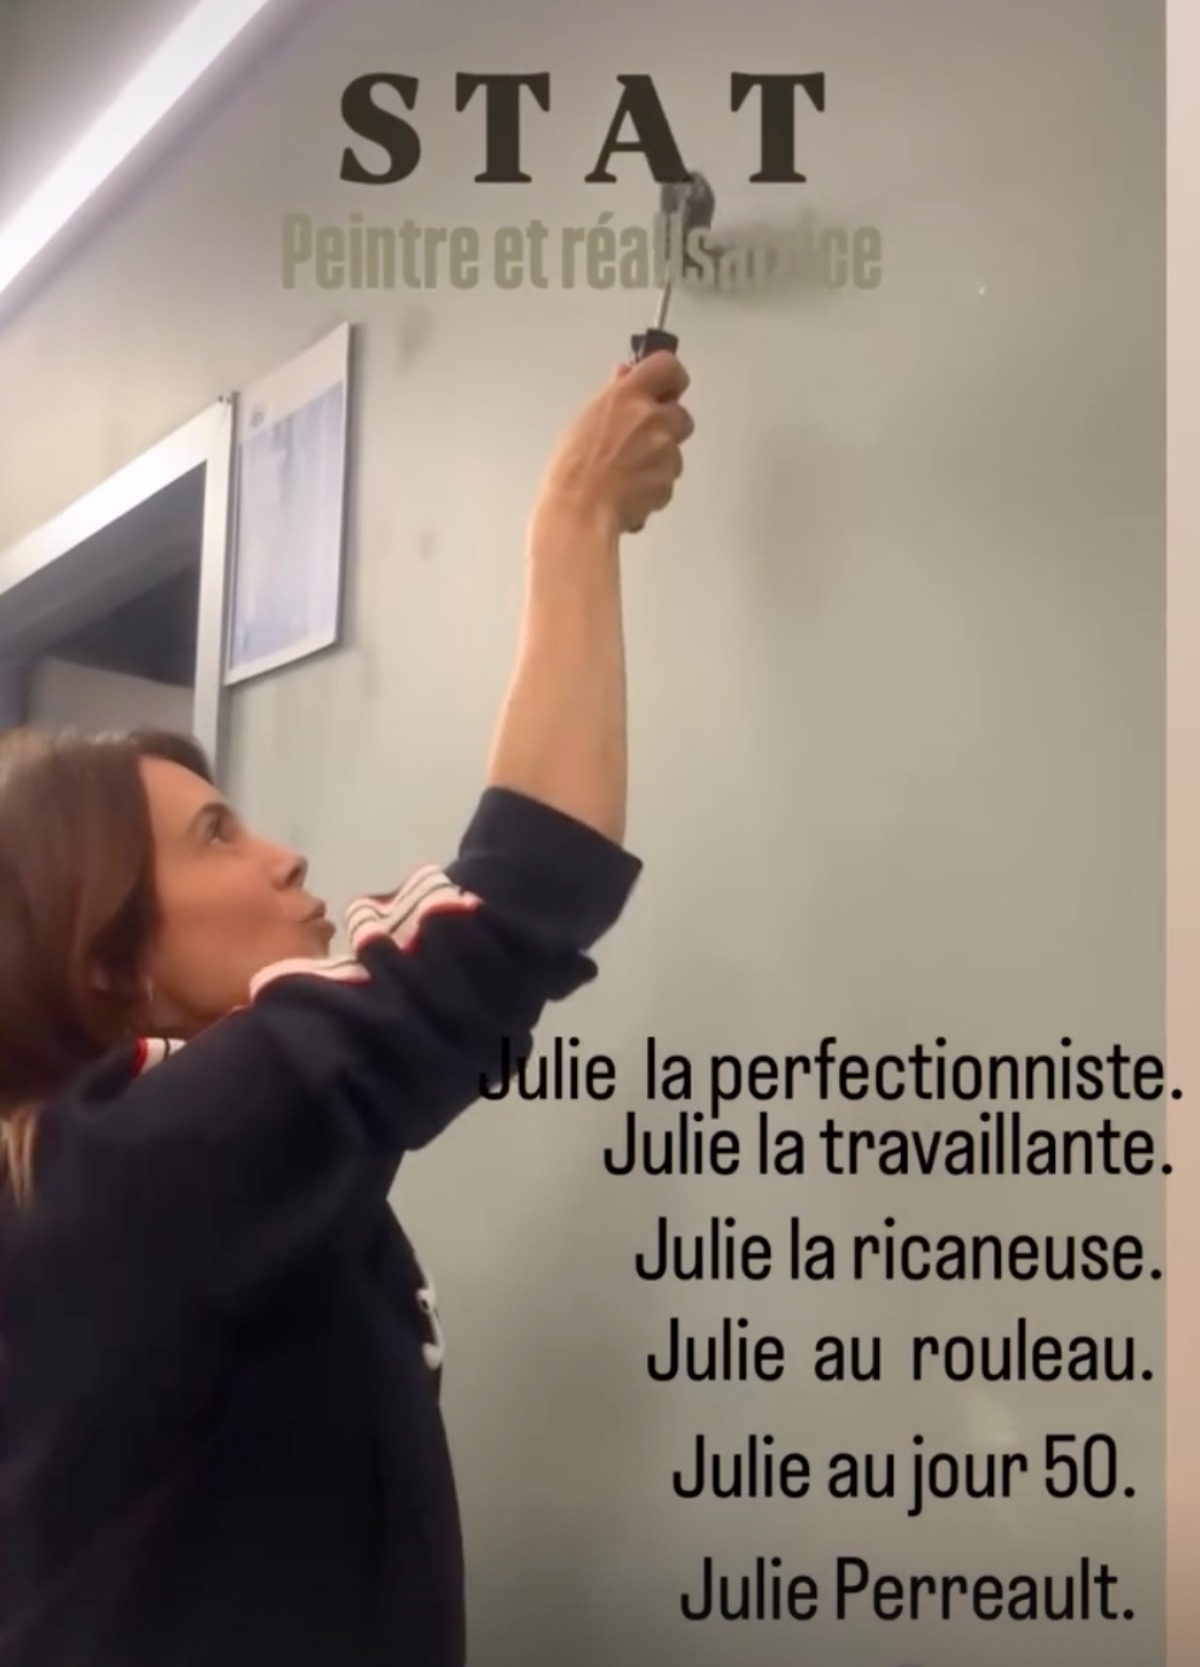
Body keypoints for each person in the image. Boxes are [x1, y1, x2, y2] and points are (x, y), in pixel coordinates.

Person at [0, 349, 694, 1667]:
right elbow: (521, 890)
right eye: (216, 836)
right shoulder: (146, 1171)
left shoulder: (92, 1184)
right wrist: (574, 518)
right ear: (107, 964)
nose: (285, 858)